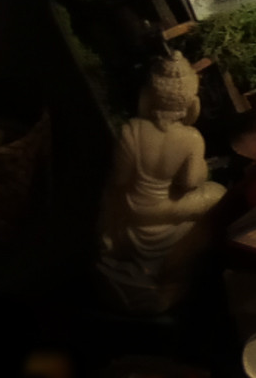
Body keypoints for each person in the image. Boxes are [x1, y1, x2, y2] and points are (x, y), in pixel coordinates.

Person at [97, 52, 226, 314]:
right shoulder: (191, 138)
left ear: (147, 96)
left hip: (134, 207)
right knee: (218, 193)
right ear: (192, 102)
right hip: (166, 209)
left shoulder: (131, 131)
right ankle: (168, 280)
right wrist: (200, 170)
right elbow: (190, 183)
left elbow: (119, 179)